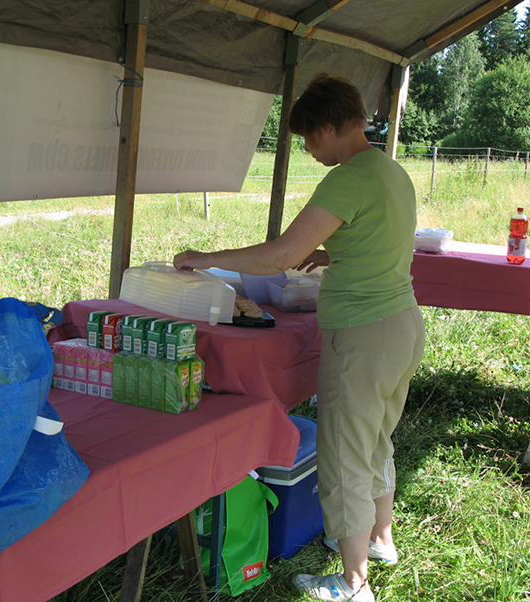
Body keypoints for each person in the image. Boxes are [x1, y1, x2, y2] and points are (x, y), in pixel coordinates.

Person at [173, 73, 426, 602]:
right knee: (376, 437)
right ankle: (380, 539)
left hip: (363, 333)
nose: (310, 151)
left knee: (343, 452)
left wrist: (206, 260)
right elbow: (385, 241)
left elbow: (280, 255)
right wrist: (338, 255)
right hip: (402, 324)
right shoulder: (390, 170)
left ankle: (354, 583)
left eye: (309, 140)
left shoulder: (348, 178)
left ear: (330, 127)